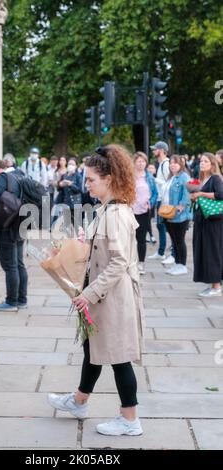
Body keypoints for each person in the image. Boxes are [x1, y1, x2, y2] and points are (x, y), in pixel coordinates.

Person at [48, 144, 144, 437]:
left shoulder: (115, 213)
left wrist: (88, 294)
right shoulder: (108, 209)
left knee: (118, 357)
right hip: (105, 297)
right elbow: (102, 251)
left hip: (112, 298)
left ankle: (130, 420)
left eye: (91, 179)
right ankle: (79, 401)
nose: (85, 184)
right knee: (94, 350)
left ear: (109, 179)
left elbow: (117, 263)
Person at [0, 159, 28, 311]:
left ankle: (11, 302)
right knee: (19, 264)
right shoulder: (19, 174)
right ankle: (21, 300)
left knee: (10, 266)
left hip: (7, 226)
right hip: (19, 225)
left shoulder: (3, 177)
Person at [190, 152, 223, 297]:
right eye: (201, 161)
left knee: (213, 252)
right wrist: (194, 197)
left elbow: (221, 195)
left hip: (213, 222)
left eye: (205, 161)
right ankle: (212, 284)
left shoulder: (215, 178)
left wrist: (201, 194)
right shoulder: (203, 179)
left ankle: (216, 287)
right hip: (203, 221)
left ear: (212, 164)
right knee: (205, 252)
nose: (202, 163)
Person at [160, 155, 191, 275]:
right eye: (171, 163)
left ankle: (182, 265)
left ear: (181, 164)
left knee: (179, 240)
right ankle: (177, 264)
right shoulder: (171, 177)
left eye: (175, 163)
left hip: (179, 215)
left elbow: (187, 194)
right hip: (168, 213)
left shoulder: (184, 177)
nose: (172, 165)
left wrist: (181, 207)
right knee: (174, 240)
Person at [132, 152, 158, 275]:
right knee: (129, 238)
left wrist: (150, 203)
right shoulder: (129, 176)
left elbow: (155, 194)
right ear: (134, 162)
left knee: (141, 239)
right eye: (139, 161)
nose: (141, 163)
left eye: (143, 161)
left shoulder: (150, 177)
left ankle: (141, 264)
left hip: (144, 212)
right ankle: (130, 263)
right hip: (130, 211)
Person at [147, 141, 171, 262]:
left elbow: (169, 183)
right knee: (160, 225)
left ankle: (166, 253)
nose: (153, 151)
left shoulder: (165, 164)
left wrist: (156, 180)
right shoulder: (161, 164)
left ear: (161, 150)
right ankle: (161, 252)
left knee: (164, 226)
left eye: (155, 149)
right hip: (161, 199)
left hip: (164, 200)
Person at [56, 157, 82, 233]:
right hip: (66, 202)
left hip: (75, 203)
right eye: (69, 163)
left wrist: (70, 184)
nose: (70, 165)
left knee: (77, 225)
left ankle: (79, 242)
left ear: (76, 166)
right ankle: (68, 242)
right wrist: (60, 185)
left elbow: (79, 190)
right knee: (66, 225)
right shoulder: (64, 175)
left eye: (72, 164)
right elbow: (59, 189)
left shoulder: (78, 176)